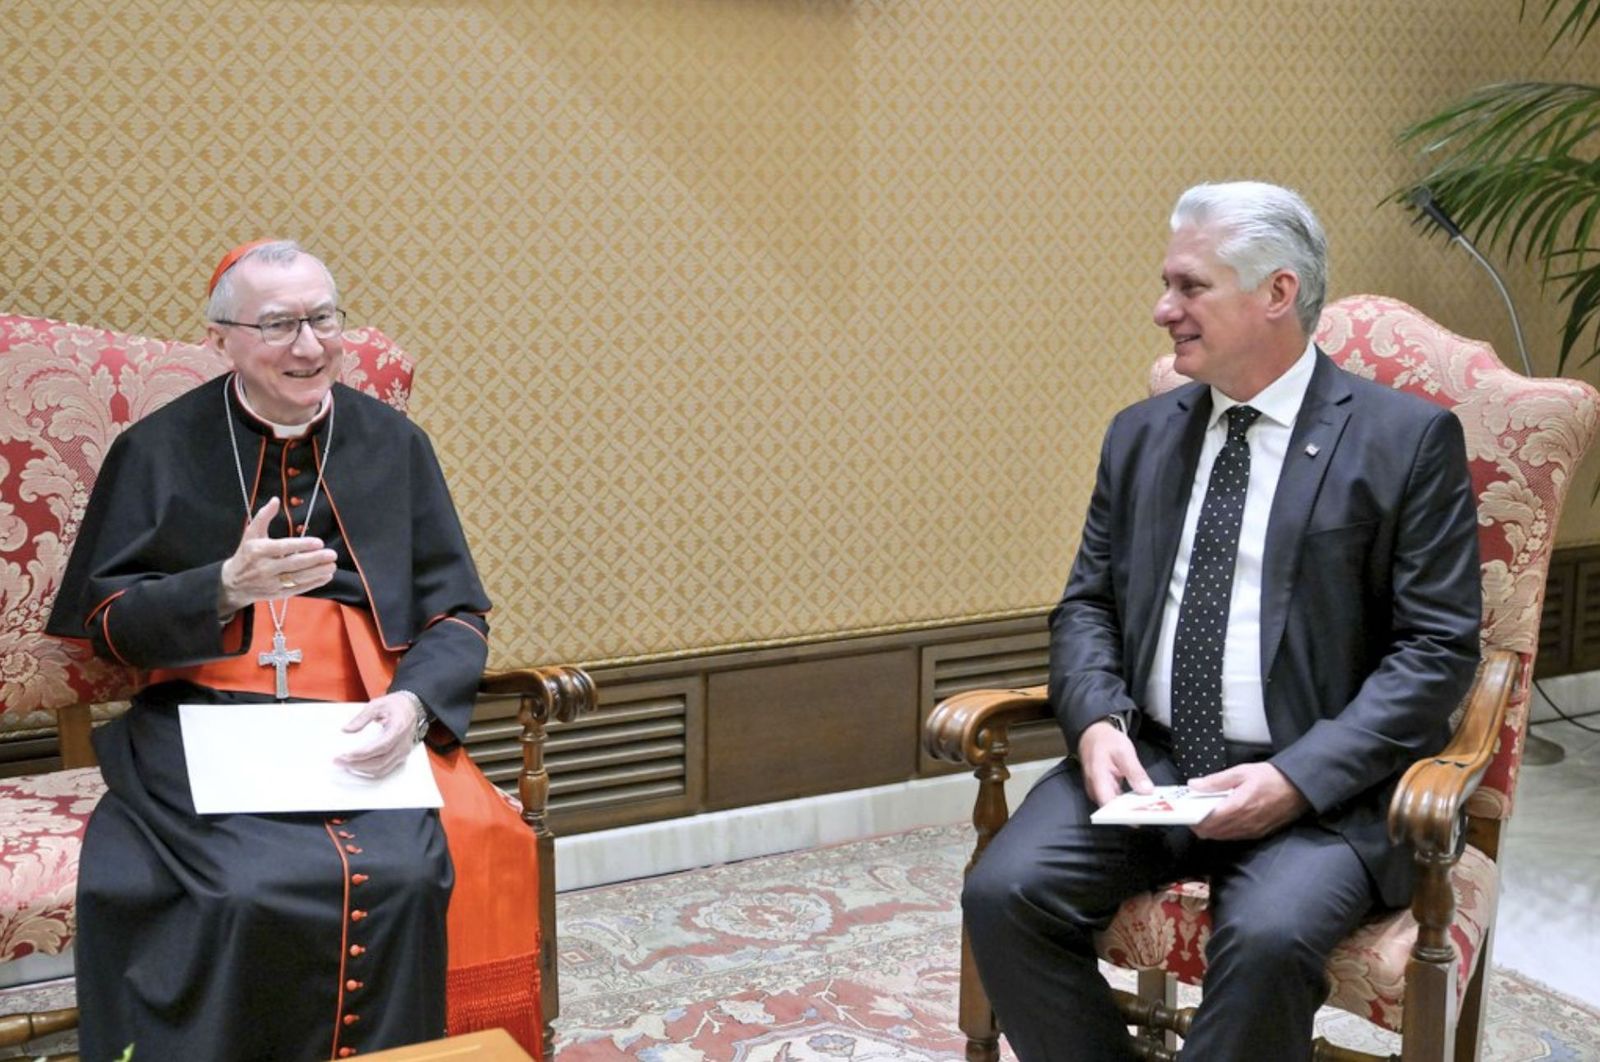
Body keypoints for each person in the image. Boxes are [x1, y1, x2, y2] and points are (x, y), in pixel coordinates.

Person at [960, 182, 1482, 1061]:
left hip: (1321, 788)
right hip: (1156, 761)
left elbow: (1435, 652)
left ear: (1277, 292)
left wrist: (1296, 778)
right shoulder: (1140, 435)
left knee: (1270, 942)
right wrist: (1096, 722)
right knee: (1003, 892)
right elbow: (1087, 604)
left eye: (1190, 286)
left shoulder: (1404, 441)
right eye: (1167, 284)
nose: (1163, 310)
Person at [48, 241, 544, 1061]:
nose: (308, 345)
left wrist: (414, 703)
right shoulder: (158, 448)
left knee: (412, 873)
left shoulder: (395, 445)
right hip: (201, 712)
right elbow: (107, 622)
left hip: (360, 712)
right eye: (278, 324)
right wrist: (222, 588)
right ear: (220, 340)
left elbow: (457, 612)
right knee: (241, 889)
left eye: (323, 319)